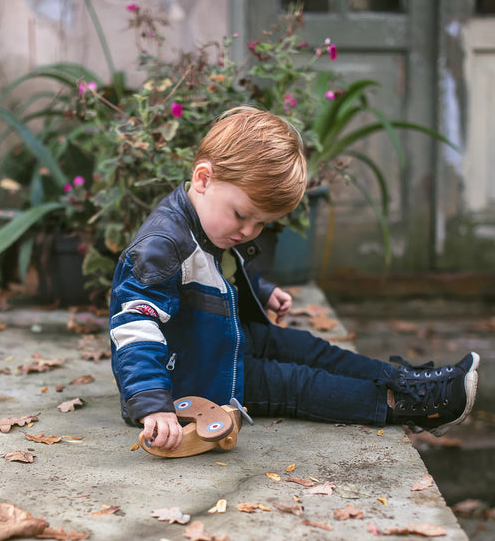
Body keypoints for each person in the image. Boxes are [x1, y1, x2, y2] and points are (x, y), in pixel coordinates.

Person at [109, 106, 479, 451]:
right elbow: (135, 326)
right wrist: (152, 404)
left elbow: (218, 274)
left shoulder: (208, 221)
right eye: (242, 215)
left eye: (261, 223)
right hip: (200, 378)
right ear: (203, 179)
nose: (249, 231)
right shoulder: (161, 246)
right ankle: (413, 406)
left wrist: (262, 290)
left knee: (309, 349)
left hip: (219, 342)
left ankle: (409, 382)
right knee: (299, 383)